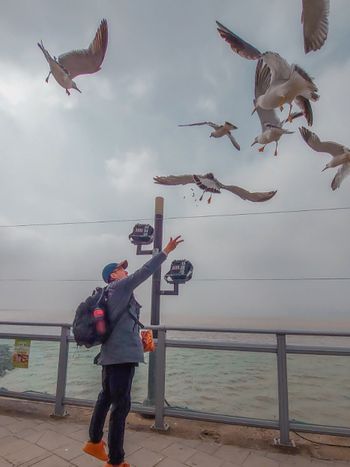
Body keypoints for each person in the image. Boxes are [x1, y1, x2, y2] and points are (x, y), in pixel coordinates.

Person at [83, 235, 183, 467]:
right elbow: (144, 272)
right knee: (121, 407)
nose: (125, 271)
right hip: (121, 357)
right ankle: (116, 461)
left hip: (112, 355)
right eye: (120, 269)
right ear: (112, 276)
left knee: (105, 397)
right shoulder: (119, 287)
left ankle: (94, 441)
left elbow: (121, 324)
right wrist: (166, 251)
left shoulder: (110, 293)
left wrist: (138, 338)